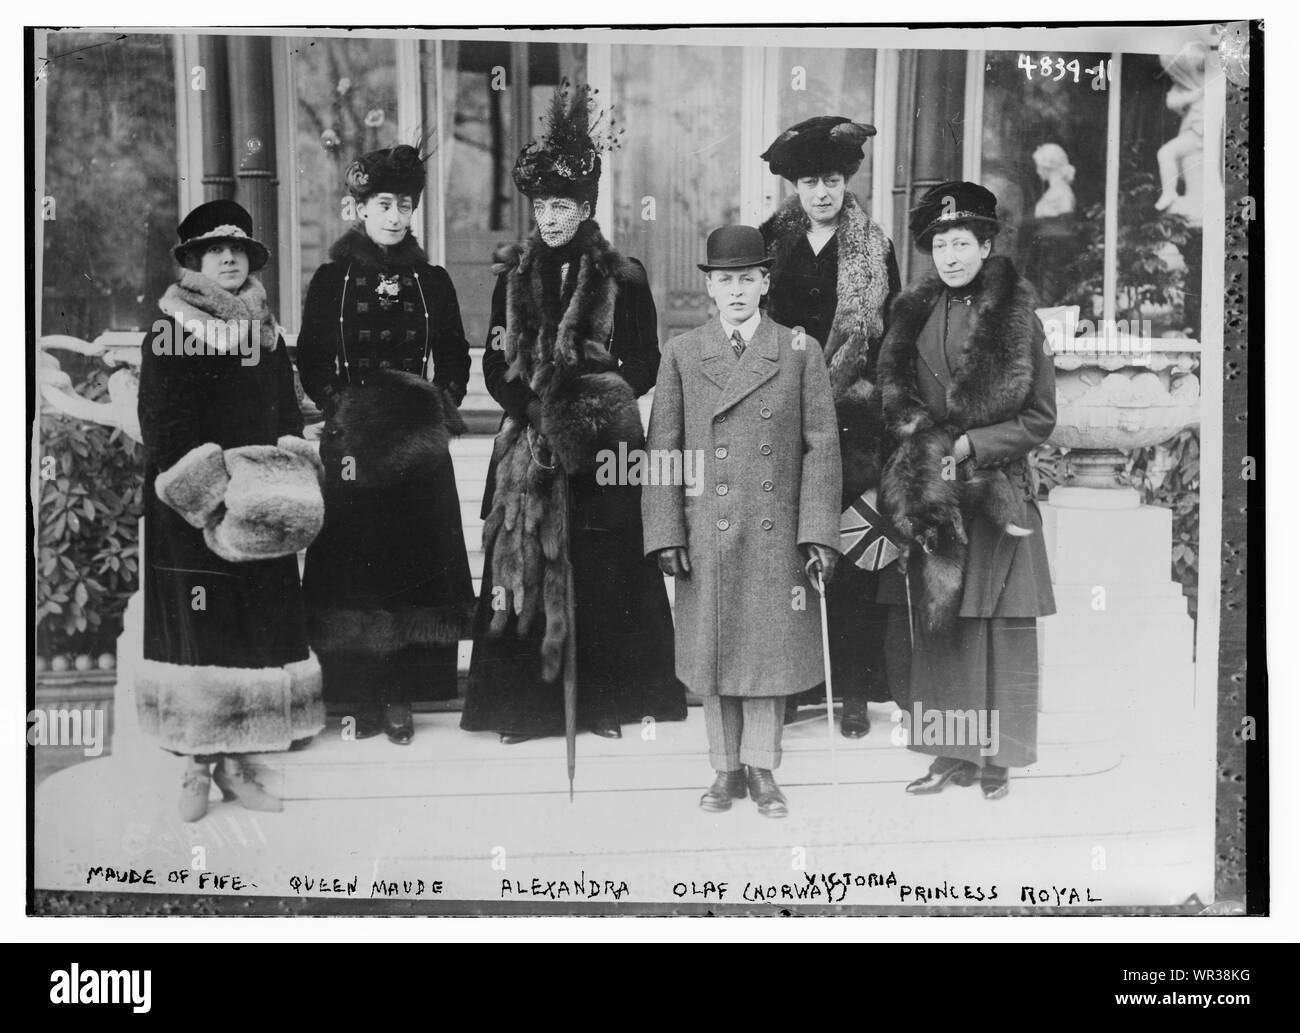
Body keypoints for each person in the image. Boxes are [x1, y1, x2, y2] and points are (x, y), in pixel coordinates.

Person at [461, 82, 686, 743]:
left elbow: (646, 360)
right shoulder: (512, 276)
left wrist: (595, 404)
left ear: (585, 205)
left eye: (564, 205)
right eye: (542, 206)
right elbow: (494, 364)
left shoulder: (624, 276)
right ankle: (525, 709)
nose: (552, 217)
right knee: (527, 563)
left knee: (604, 567)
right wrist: (532, 410)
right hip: (530, 445)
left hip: (604, 446)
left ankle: (602, 703)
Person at [643, 225, 842, 818]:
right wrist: (665, 533)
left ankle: (763, 769)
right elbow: (663, 452)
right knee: (712, 654)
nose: (736, 290)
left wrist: (817, 533)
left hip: (775, 531)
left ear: (765, 282)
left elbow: (822, 446)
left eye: (747, 279)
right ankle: (723, 769)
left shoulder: (799, 350)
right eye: (724, 279)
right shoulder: (681, 353)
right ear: (709, 285)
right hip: (706, 530)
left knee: (766, 652)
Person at [137, 199, 326, 821]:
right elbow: (164, 426)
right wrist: (214, 500)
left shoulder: (264, 331)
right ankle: (196, 766)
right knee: (201, 636)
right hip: (192, 512)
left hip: (255, 508)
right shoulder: (171, 328)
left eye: (237, 249)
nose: (227, 258)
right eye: (213, 250)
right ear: (191, 263)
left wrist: (282, 481)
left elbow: (285, 415)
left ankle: (242, 763)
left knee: (254, 634)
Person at [876, 181, 1057, 801]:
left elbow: (1038, 419)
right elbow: (895, 399)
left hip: (995, 489)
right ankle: (949, 754)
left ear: (985, 245)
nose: (950, 255)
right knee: (941, 626)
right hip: (936, 490)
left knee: (998, 624)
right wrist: (924, 450)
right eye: (940, 244)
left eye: (962, 242)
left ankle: (997, 760)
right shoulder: (915, 314)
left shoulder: (1016, 320)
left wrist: (972, 448)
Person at [296, 145, 475, 745]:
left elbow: (453, 358)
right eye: (383, 204)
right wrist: (341, 410)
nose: (395, 217)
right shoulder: (332, 280)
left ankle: (403, 695)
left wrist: (435, 410)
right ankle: (360, 697)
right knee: (356, 568)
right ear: (360, 207)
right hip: (353, 446)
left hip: (418, 445)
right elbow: (313, 359)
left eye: (404, 205)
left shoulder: (432, 281)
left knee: (412, 567)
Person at [759, 115, 902, 738]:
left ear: (847, 182)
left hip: (851, 419)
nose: (822, 192)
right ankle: (792, 684)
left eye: (834, 180)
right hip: (783, 414)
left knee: (848, 551)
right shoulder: (771, 242)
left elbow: (890, 339)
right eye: (811, 180)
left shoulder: (874, 247)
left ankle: (850, 691)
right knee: (787, 549)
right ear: (795, 184)